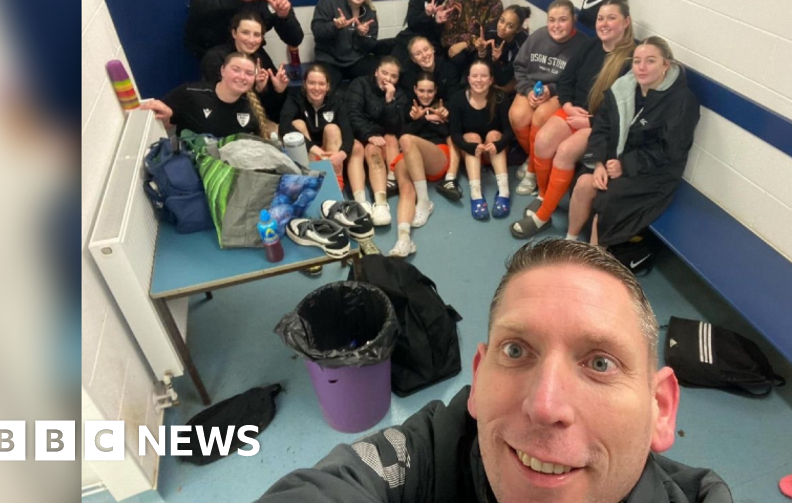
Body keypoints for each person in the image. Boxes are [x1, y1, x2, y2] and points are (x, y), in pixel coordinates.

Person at [255, 238, 732, 503]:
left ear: (661, 409)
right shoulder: (434, 455)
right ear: (479, 378)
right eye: (518, 351)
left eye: (600, 363)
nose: (545, 405)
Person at [511, 0, 636, 239]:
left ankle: (543, 216)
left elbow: (623, 112)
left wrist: (591, 122)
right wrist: (567, 106)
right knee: (543, 141)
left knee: (566, 152)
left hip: (599, 124)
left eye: (612, 18)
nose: (604, 23)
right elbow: (566, 80)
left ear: (626, 22)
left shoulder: (629, 62)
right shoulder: (590, 47)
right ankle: (544, 196)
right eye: (600, 18)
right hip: (573, 110)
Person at [568, 38, 700, 245]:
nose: (642, 67)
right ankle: (570, 241)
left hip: (654, 172)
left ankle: (592, 263)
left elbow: (670, 150)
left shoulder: (682, 101)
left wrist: (625, 165)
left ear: (666, 65)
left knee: (606, 203)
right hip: (614, 161)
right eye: (637, 61)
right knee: (584, 183)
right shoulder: (623, 88)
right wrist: (599, 162)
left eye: (650, 61)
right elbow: (602, 127)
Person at [509, 0, 589, 191]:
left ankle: (532, 171)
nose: (556, 25)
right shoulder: (537, 36)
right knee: (517, 116)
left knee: (541, 115)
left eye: (562, 20)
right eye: (551, 20)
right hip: (531, 86)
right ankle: (535, 160)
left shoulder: (582, 45)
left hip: (559, 90)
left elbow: (576, 81)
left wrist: (550, 90)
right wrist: (528, 90)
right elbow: (519, 66)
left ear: (574, 20)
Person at [386, 73, 451, 257]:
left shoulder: (443, 107)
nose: (425, 95)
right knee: (406, 189)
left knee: (407, 140)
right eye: (421, 90)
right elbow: (401, 134)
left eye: (430, 91)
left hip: (435, 156)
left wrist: (444, 118)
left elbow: (449, 132)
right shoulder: (408, 107)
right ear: (415, 90)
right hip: (408, 157)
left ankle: (424, 201)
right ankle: (404, 239)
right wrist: (419, 119)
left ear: (436, 91)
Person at [141, 51, 275, 139]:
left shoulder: (252, 107)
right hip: (193, 169)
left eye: (249, 73)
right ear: (222, 70)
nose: (242, 77)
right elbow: (161, 125)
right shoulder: (190, 93)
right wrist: (164, 117)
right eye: (236, 70)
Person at [279, 64, 362, 192]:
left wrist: (342, 154)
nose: (317, 88)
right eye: (312, 83)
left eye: (321, 84)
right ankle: (308, 177)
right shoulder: (295, 98)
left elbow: (348, 133)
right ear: (304, 84)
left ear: (327, 86)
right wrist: (316, 150)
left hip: (329, 151)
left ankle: (335, 186)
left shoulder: (336, 102)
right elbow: (284, 127)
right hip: (309, 152)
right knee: (298, 124)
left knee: (332, 128)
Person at [448, 59, 513, 221]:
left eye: (484, 76)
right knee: (471, 136)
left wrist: (498, 144)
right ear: (468, 79)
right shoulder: (457, 99)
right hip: (472, 153)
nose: (479, 80)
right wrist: (470, 147)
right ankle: (476, 194)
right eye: (475, 76)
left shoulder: (500, 97)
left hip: (494, 151)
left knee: (494, 133)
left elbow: (508, 131)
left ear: (491, 80)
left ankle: (504, 191)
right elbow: (454, 134)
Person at [345, 56, 406, 226]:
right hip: (358, 133)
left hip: (380, 138)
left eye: (393, 76)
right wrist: (368, 135)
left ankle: (380, 203)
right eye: (384, 73)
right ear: (376, 72)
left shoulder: (398, 94)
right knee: (356, 148)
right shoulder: (360, 84)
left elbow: (395, 126)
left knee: (374, 150)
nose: (388, 79)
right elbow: (352, 114)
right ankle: (361, 202)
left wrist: (389, 101)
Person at [400, 36, 463, 200]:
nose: (425, 55)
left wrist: (445, 111)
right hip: (421, 120)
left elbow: (456, 99)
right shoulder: (408, 76)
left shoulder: (448, 69)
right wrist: (420, 115)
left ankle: (451, 179)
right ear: (413, 59)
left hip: (445, 116)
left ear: (433, 49)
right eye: (418, 53)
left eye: (426, 49)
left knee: (453, 134)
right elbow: (407, 104)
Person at [201, 11, 290, 122]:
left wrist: (278, 91)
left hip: (257, 121)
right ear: (234, 33)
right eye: (245, 33)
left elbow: (270, 108)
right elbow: (223, 100)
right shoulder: (215, 58)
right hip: (223, 121)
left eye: (257, 35)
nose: (251, 40)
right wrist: (256, 89)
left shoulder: (260, 57)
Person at [312, 0, 380, 89]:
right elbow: (317, 31)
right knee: (323, 88)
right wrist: (335, 26)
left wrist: (361, 35)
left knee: (380, 75)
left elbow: (370, 46)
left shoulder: (370, 12)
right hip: (329, 60)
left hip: (355, 61)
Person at [438, 0, 504, 78]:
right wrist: (469, 41)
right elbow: (446, 35)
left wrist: (466, 43)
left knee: (481, 60)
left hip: (481, 50)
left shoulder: (495, 5)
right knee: (458, 58)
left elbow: (489, 36)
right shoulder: (456, 0)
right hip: (455, 47)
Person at [392, 0, 462, 62]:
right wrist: (426, 14)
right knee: (394, 64)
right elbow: (411, 22)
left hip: (432, 46)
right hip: (410, 39)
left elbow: (444, 38)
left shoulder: (454, 5)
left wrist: (437, 22)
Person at [474, 4, 531, 92]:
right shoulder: (491, 29)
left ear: (518, 29)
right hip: (491, 69)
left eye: (510, 26)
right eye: (501, 20)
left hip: (508, 78)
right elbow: (480, 64)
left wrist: (496, 60)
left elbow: (503, 80)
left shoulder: (523, 45)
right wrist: (482, 51)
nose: (502, 27)